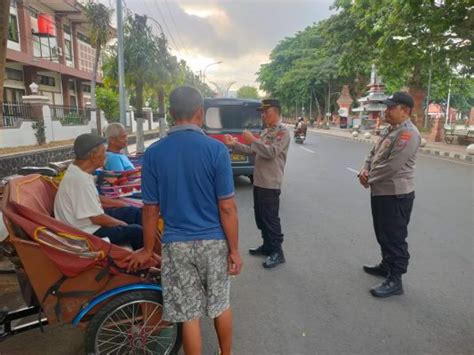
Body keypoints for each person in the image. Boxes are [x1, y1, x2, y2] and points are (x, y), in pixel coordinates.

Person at [126, 86, 242, 355]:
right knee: (220, 304)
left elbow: (150, 209)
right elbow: (227, 207)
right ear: (200, 113)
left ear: (170, 113)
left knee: (189, 315)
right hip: (213, 242)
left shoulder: (154, 153)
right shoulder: (216, 150)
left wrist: (146, 249)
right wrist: (234, 251)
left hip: (176, 245)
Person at [358, 92, 421, 298]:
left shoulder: (408, 134)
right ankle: (386, 265)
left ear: (405, 111)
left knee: (394, 237)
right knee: (382, 232)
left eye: (391, 108)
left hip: (396, 195)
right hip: (381, 192)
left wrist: (369, 178)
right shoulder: (389, 130)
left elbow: (392, 165)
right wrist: (364, 169)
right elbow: (372, 154)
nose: (387, 111)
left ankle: (396, 279)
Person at [223, 99, 290, 269]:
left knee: (270, 218)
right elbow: (254, 150)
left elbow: (271, 152)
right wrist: (235, 144)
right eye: (262, 112)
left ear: (275, 112)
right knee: (260, 217)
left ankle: (277, 252)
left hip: (271, 182)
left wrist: (253, 139)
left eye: (266, 112)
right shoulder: (266, 132)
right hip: (259, 181)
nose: (263, 115)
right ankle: (267, 245)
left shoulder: (282, 133)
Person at [54, 133, 145, 250]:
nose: (106, 155)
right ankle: (144, 264)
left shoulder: (78, 171)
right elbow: (97, 218)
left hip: (88, 222)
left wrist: (121, 204)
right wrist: (122, 224)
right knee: (137, 231)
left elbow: (95, 199)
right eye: (103, 152)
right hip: (85, 233)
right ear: (93, 156)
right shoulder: (80, 180)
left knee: (133, 212)